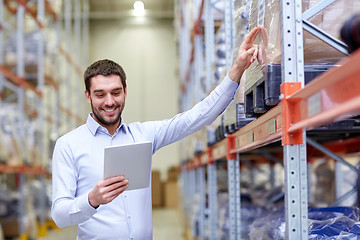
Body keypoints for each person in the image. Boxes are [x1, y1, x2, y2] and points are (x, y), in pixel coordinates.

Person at [51, 26, 262, 240]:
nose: (109, 102)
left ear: (125, 91)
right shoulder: (69, 144)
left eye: (116, 92)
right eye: (100, 94)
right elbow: (59, 214)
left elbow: (198, 116)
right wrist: (91, 199)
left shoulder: (143, 135)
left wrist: (238, 68)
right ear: (88, 96)